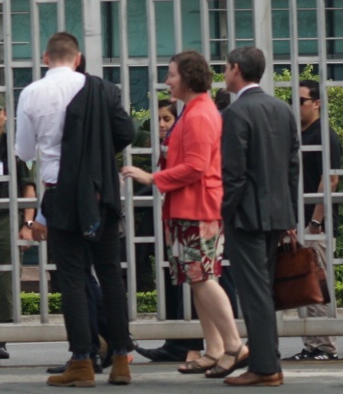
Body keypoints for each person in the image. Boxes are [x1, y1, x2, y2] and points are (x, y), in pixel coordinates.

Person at [17, 31, 135, 388]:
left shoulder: (31, 93)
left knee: (70, 277)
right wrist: (97, 151)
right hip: (102, 191)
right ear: (78, 57)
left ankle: (82, 360)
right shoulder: (103, 90)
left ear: (44, 57)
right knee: (111, 275)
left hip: (60, 191)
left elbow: (24, 150)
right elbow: (127, 131)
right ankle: (121, 359)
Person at [120, 51, 238, 378]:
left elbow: (197, 167)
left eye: (171, 75)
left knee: (202, 278)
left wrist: (151, 178)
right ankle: (215, 348)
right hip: (190, 207)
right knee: (199, 278)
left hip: (197, 208)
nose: (167, 80)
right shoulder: (195, 111)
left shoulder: (200, 114)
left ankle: (233, 344)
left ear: (186, 77)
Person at [217, 45, 300, 388]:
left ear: (236, 69)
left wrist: (224, 212)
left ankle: (265, 367)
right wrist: (291, 216)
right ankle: (269, 361)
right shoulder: (282, 109)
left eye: (225, 67)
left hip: (246, 217)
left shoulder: (236, 114)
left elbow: (233, 174)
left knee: (255, 293)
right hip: (277, 214)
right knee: (262, 290)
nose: (224, 73)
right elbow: (292, 167)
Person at [136, 97, 205, 367]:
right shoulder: (164, 146)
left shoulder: (184, 143)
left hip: (187, 221)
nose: (162, 125)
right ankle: (175, 341)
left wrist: (144, 181)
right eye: (160, 120)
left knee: (194, 284)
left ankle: (192, 345)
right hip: (167, 224)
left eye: (167, 119)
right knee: (172, 281)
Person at [288, 80, 342, 362]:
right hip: (300, 221)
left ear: (317, 103)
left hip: (316, 223)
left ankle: (325, 347)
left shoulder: (325, 135)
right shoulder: (300, 135)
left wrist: (316, 222)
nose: (295, 106)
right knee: (303, 285)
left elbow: (330, 179)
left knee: (318, 284)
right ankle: (311, 345)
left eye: (301, 100)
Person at [0, 88, 35, 361]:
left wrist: (27, 223)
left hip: (5, 219)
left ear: (5, 115)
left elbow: (28, 187)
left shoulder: (17, 147)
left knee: (3, 281)